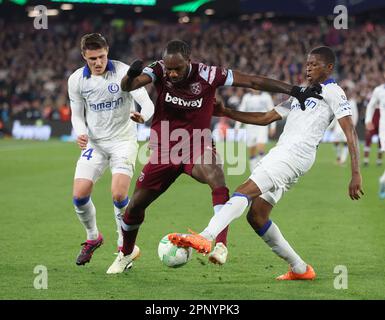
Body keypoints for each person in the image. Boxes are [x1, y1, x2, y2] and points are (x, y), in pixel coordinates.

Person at [106, 39, 322, 274]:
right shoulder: (159, 69)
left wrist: (293, 90)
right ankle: (126, 253)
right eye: (169, 68)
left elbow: (252, 81)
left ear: (189, 61)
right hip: (164, 149)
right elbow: (129, 85)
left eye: (177, 68)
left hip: (197, 146)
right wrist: (130, 75)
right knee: (135, 206)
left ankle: (220, 245)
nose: (172, 73)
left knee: (216, 178)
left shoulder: (209, 74)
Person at [169, 46, 364, 280]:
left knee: (244, 191)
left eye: (315, 64)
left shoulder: (333, 91)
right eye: (307, 63)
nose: (308, 67)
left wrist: (356, 173)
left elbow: (350, 130)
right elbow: (264, 118)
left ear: (329, 67)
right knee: (257, 216)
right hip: (286, 154)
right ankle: (300, 269)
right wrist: (227, 112)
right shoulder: (300, 94)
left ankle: (206, 235)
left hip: (294, 154)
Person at [68, 33, 154, 265]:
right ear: (84, 57)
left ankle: (124, 246)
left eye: (102, 57)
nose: (98, 62)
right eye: (92, 59)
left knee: (118, 193)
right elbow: (77, 114)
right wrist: (81, 132)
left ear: (108, 52)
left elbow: (147, 103)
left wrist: (142, 116)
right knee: (79, 196)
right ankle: (93, 237)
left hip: (123, 142)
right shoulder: (77, 80)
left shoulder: (123, 71)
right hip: (96, 144)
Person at [234, 90, 276, 171]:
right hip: (250, 126)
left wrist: (272, 126)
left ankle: (261, 169)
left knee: (260, 148)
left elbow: (272, 111)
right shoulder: (247, 97)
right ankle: (253, 171)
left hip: (262, 125)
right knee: (252, 150)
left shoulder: (266, 96)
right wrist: (237, 126)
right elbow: (241, 111)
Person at [365, 81, 385, 198]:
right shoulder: (379, 90)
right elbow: (371, 105)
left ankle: (383, 181)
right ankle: (383, 182)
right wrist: (368, 120)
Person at [332, 88, 359, 165]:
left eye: (348, 92)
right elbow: (335, 113)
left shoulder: (352, 102)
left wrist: (353, 125)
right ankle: (338, 156)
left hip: (348, 125)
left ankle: (342, 159)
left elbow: (355, 114)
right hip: (338, 124)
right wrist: (332, 125)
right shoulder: (339, 101)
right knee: (335, 142)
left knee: (345, 142)